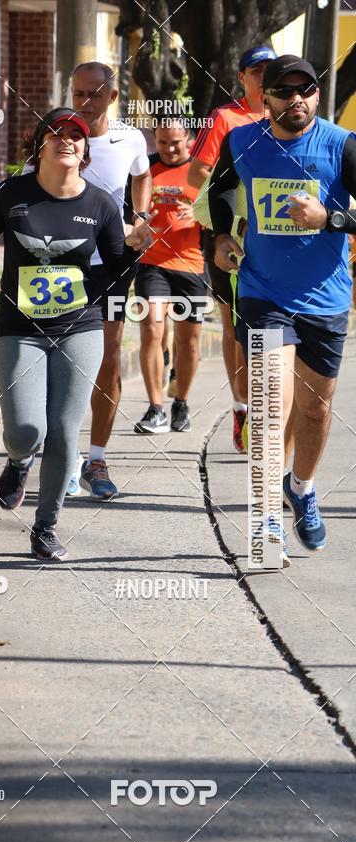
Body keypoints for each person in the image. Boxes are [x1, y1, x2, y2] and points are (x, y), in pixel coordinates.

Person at [0, 108, 153, 561]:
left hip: (80, 326)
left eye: (77, 135)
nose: (68, 140)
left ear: (85, 150)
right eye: (58, 133)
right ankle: (17, 461)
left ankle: (45, 527)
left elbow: (113, 272)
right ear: (40, 145)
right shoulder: (16, 192)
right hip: (19, 328)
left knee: (65, 432)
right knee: (26, 430)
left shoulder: (101, 205)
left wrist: (133, 248)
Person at [209, 55, 356, 562]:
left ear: (317, 94)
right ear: (264, 98)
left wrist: (330, 217)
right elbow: (221, 192)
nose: (296, 97)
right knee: (272, 406)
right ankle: (266, 520)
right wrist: (223, 235)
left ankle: (303, 487)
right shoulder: (242, 141)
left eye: (306, 89)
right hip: (263, 294)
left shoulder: (342, 146)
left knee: (315, 409)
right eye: (284, 89)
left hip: (326, 299)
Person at [67, 61, 152, 500]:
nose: (84, 102)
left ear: (112, 98)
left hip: (114, 262)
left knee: (109, 357)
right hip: (59, 263)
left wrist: (139, 217)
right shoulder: (56, 134)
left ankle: (96, 457)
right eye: (78, 93)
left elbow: (142, 173)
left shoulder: (130, 139)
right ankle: (59, 455)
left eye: (94, 95)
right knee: (56, 358)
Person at [188, 45, 277, 452]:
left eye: (270, 70)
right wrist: (230, 211)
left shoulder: (290, 117)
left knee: (273, 328)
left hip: (277, 238)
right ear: (242, 77)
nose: (264, 76)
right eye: (256, 70)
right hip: (232, 236)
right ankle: (242, 407)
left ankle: (269, 411)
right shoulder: (226, 118)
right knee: (236, 329)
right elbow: (198, 171)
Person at [133, 120, 207, 434]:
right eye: (162, 142)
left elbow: (225, 213)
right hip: (153, 263)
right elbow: (130, 211)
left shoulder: (202, 172)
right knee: (152, 326)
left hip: (192, 266)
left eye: (175, 142)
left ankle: (181, 402)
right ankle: (155, 408)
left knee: (188, 343)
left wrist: (201, 213)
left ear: (189, 139)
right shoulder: (145, 172)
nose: (169, 149)